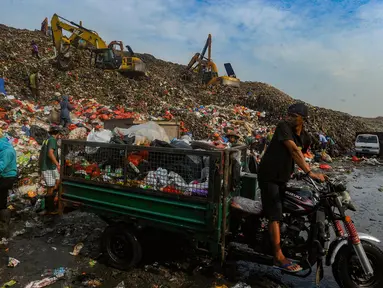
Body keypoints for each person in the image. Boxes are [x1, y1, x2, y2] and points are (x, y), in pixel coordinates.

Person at [257, 103, 326, 273]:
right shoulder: (283, 127)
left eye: (293, 115)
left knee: (295, 204)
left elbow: (303, 153)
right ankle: (278, 256)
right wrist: (310, 172)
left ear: (303, 118)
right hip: (269, 176)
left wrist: (307, 170)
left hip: (283, 177)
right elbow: (295, 151)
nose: (289, 117)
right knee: (276, 213)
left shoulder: (305, 136)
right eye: (288, 114)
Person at [38, 125, 62, 215]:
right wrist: (57, 164)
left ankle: (51, 204)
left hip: (48, 167)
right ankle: (50, 209)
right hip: (48, 167)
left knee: (56, 183)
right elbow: (50, 153)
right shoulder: (52, 140)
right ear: (58, 134)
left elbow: (41, 154)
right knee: (50, 188)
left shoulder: (46, 140)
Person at [0, 130, 17, 238]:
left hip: (6, 178)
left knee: (1, 201)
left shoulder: (6, 151)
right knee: (2, 198)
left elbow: (1, 166)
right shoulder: (4, 149)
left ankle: (3, 228)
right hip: (5, 177)